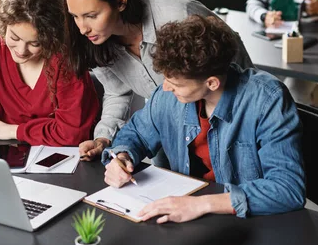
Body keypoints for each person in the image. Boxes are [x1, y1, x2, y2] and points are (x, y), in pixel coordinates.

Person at [102, 15, 305, 222]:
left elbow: (287, 188)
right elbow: (135, 134)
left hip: (247, 220)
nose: (165, 87)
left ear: (212, 83)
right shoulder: (166, 96)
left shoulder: (266, 99)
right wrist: (122, 157)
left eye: (177, 84)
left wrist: (202, 204)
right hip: (186, 213)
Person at [64, 0, 253, 161]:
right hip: (167, 125)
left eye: (91, 15)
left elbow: (234, 60)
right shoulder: (94, 43)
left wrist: (251, 113)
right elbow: (117, 93)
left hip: (226, 114)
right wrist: (103, 138)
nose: (82, 28)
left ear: (120, 2)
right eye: (75, 16)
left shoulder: (176, 12)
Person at [0, 0, 100, 157]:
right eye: (14, 37)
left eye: (35, 43)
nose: (21, 51)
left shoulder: (66, 61)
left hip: (69, 157)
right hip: (12, 156)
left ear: (52, 38)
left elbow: (72, 133)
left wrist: (14, 131)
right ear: (4, 25)